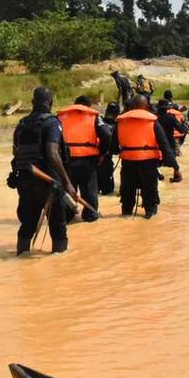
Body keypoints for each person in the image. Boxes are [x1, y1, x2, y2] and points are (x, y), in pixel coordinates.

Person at [11, 87, 75, 255]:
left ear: (33, 102)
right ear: (51, 103)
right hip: (49, 183)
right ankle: (60, 260)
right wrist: (67, 182)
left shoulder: (22, 125)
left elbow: (16, 153)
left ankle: (22, 255)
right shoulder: (52, 123)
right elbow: (53, 153)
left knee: (27, 225)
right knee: (58, 227)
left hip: (25, 182)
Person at [114, 95, 181, 218]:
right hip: (148, 164)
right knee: (150, 200)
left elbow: (113, 147)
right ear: (146, 107)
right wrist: (175, 168)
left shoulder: (120, 121)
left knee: (127, 200)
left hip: (128, 163)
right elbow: (165, 146)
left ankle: (126, 216)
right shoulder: (153, 121)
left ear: (131, 106)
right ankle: (150, 216)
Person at [56, 95, 111, 223]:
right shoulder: (93, 116)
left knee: (68, 189)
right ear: (88, 107)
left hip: (66, 161)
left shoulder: (60, 117)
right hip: (88, 161)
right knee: (89, 191)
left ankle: (68, 216)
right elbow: (107, 135)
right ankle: (90, 215)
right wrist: (101, 153)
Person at [97, 102, 120, 196]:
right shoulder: (117, 126)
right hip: (105, 158)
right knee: (107, 190)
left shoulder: (99, 122)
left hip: (94, 158)